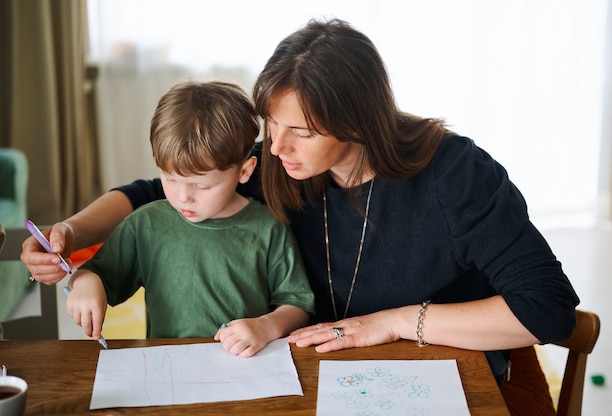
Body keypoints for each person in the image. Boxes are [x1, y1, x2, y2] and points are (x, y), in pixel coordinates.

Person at [22, 19, 578, 413]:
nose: (276, 147)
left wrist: (390, 321)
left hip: (452, 369)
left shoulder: (457, 175)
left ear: (357, 123)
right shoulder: (284, 165)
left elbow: (546, 310)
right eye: (271, 124)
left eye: (301, 131)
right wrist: (70, 233)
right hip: (328, 372)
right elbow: (154, 193)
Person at [64, 81, 315, 357]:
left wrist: (266, 326)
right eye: (170, 179)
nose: (183, 197)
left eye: (201, 186)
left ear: (244, 171)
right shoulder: (145, 225)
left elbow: (297, 304)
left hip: (245, 370)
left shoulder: (269, 227)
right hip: (169, 370)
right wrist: (84, 282)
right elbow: (97, 273)